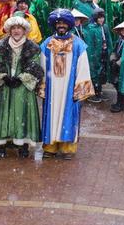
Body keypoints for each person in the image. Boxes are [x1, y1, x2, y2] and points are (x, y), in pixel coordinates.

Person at [40, 9, 94, 160]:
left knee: (69, 115)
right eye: (58, 23)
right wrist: (43, 86)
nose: (61, 26)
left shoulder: (78, 45)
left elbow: (83, 66)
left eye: (64, 23)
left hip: (69, 88)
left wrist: (79, 89)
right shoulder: (47, 44)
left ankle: (67, 148)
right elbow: (42, 66)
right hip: (52, 89)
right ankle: (50, 147)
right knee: (50, 116)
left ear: (69, 25)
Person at [0, 14, 43, 158]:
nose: (16, 31)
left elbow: (35, 67)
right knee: (3, 113)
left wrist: (21, 78)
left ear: (25, 30)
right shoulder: (1, 46)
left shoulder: (33, 48)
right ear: (9, 30)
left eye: (19, 28)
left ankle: (22, 144)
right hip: (5, 86)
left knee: (22, 113)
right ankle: (2, 144)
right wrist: (3, 77)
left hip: (23, 87)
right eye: (14, 28)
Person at [84, 7, 112, 103]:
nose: (101, 20)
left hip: (104, 53)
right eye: (99, 18)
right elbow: (90, 44)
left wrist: (109, 51)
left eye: (102, 17)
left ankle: (99, 91)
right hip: (95, 54)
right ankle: (95, 92)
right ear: (95, 18)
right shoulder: (91, 29)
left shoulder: (105, 27)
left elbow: (109, 40)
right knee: (95, 72)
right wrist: (93, 56)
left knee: (102, 72)